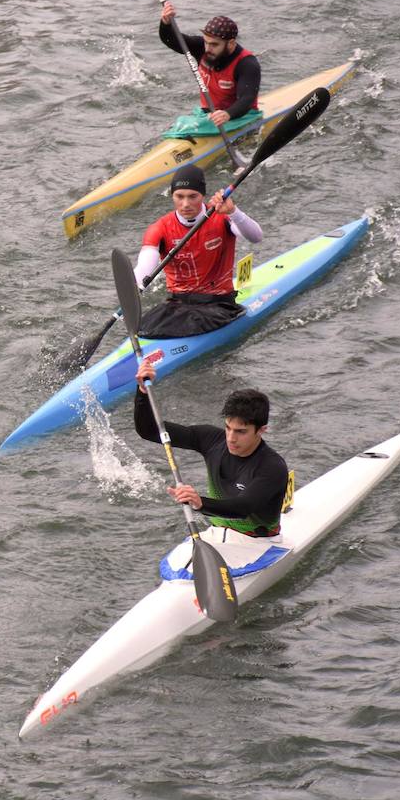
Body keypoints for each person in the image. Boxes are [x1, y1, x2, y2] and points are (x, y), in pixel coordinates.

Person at [134, 358, 288, 538]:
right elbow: (149, 430)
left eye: (240, 432)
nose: (231, 438)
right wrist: (143, 391)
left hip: (260, 541)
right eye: (228, 428)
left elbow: (244, 507)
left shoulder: (272, 467)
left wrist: (200, 503)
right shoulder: (211, 439)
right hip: (217, 531)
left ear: (261, 430)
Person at [133, 163, 263, 337]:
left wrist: (233, 211)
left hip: (218, 304)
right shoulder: (160, 228)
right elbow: (144, 266)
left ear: (202, 195)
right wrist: (133, 288)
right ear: (172, 196)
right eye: (179, 196)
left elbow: (256, 237)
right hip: (177, 305)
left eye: (192, 196)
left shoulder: (221, 216)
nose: (185, 204)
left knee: (191, 318)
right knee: (143, 326)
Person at [158, 4, 261, 128]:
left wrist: (228, 114)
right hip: (210, 116)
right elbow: (171, 40)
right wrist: (166, 23)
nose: (208, 48)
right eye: (206, 42)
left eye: (214, 44)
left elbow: (246, 98)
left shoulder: (247, 63)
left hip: (240, 116)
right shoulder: (202, 48)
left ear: (231, 43)